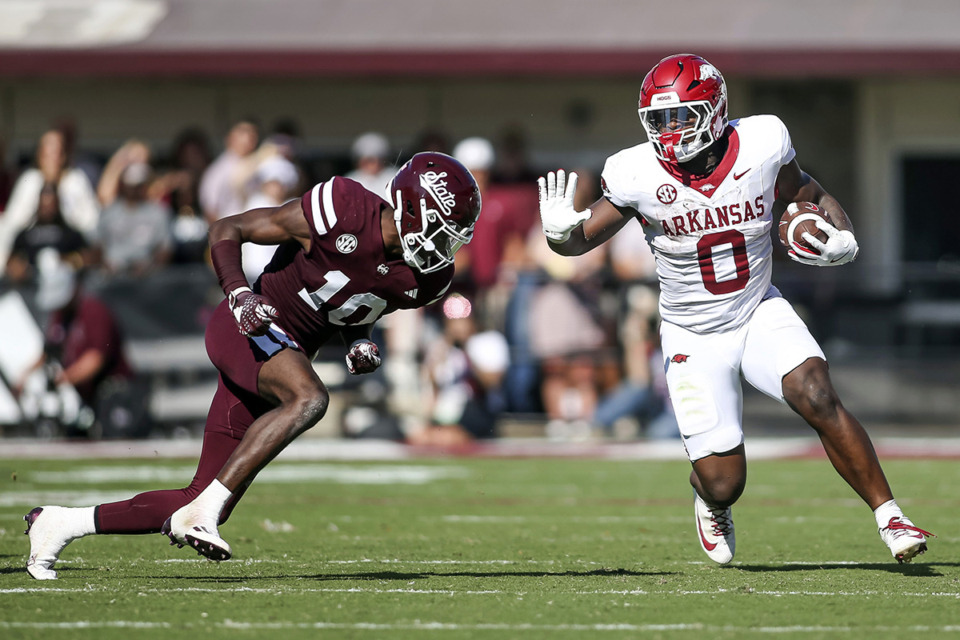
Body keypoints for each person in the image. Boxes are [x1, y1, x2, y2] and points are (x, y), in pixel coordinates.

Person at [537, 53, 931, 564]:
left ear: (715, 108)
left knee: (816, 393)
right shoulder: (634, 172)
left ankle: (890, 516)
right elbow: (578, 242)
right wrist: (559, 237)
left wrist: (844, 238)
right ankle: (707, 500)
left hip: (757, 308)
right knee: (725, 482)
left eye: (679, 116)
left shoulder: (762, 142)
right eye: (658, 120)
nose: (669, 131)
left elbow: (806, 192)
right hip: (692, 332)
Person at [23, 151, 481, 579]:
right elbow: (227, 227)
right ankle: (203, 514)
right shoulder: (344, 207)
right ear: (409, 207)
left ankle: (60, 523)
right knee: (310, 398)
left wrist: (359, 339)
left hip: (283, 352)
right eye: (442, 228)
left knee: (198, 497)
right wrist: (239, 293)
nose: (445, 246)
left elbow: (352, 302)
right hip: (246, 326)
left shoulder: (426, 278)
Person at [0, 129, 100, 267]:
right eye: (47, 154)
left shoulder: (76, 180)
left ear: (64, 155)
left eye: (57, 153)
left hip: (70, 251)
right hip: (32, 251)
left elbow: (91, 224)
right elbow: (13, 223)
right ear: (39, 155)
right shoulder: (29, 180)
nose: (52, 159)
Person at [94, 162, 173, 277]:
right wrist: (105, 265)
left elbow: (165, 249)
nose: (135, 190)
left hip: (147, 275)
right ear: (123, 185)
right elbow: (98, 246)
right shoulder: (108, 213)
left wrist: (151, 267)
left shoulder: (159, 213)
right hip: (113, 274)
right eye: (131, 185)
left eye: (139, 185)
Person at [199, 119, 260, 223]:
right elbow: (210, 209)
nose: (249, 138)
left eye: (252, 134)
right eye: (243, 132)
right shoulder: (218, 170)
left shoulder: (258, 165)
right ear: (230, 138)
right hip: (230, 229)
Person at [345, 132, 396, 196]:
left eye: (373, 160)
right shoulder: (351, 180)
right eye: (368, 160)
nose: (372, 164)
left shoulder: (393, 178)